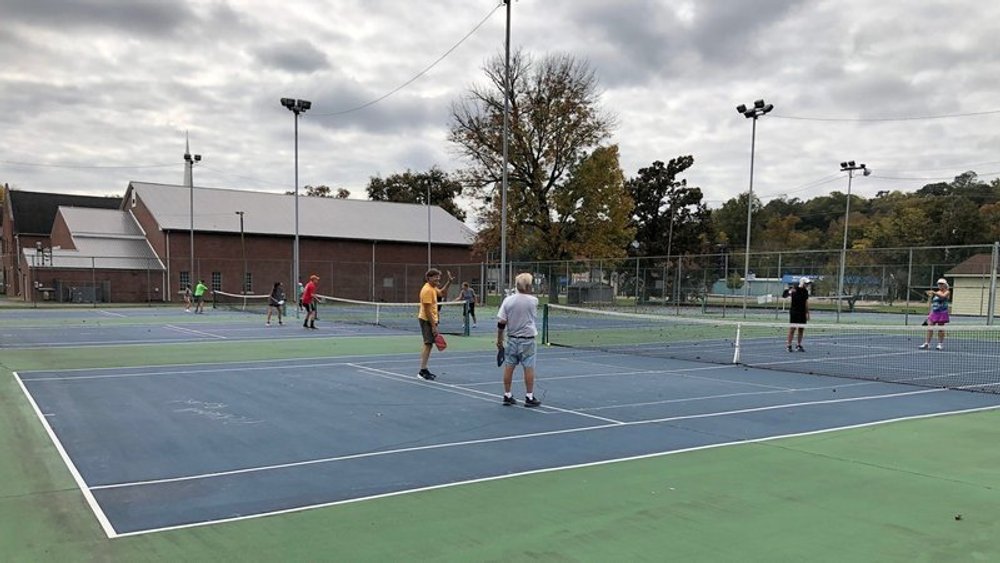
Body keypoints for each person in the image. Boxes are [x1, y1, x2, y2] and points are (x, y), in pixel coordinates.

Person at [496, 272, 541, 407]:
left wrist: (499, 340)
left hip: (512, 339)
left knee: (509, 367)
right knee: (529, 367)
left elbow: (501, 322)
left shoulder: (508, 300)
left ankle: (507, 394)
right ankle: (529, 396)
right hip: (527, 339)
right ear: (527, 286)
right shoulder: (533, 301)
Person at [417, 268, 445, 381]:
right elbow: (428, 311)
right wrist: (434, 326)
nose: (438, 279)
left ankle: (424, 369)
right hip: (427, 320)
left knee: (429, 344)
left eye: (439, 276)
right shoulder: (427, 290)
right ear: (429, 278)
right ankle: (422, 371)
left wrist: (449, 282)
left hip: (431, 319)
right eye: (435, 277)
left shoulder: (433, 288)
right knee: (428, 344)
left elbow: (442, 292)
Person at [919, 278, 951, 350]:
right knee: (930, 327)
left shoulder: (947, 292)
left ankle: (940, 344)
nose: (940, 285)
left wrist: (934, 292)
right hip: (934, 312)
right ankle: (927, 343)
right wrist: (930, 297)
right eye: (939, 284)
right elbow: (932, 302)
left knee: (940, 328)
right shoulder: (937, 293)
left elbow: (943, 297)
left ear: (945, 285)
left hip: (942, 313)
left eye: (941, 284)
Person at [784, 277, 810, 352]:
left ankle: (798, 345)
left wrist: (807, 313)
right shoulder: (794, 289)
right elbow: (784, 295)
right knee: (792, 329)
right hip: (794, 312)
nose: (807, 285)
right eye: (806, 283)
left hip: (802, 313)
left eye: (807, 283)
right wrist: (789, 292)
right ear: (802, 283)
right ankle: (788, 345)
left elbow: (806, 303)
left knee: (801, 329)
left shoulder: (805, 291)